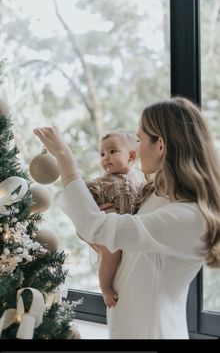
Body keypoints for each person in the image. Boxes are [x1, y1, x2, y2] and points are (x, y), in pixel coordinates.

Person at [33, 97, 220, 339]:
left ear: (160, 145)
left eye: (140, 139)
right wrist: (96, 233)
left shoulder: (188, 218)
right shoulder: (157, 195)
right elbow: (113, 242)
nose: (137, 148)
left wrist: (64, 156)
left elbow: (97, 227)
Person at [84, 131, 144, 307]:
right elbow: (84, 197)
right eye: (102, 154)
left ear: (131, 155)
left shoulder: (140, 178)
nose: (106, 158)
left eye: (112, 151)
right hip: (110, 231)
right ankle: (106, 288)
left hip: (131, 230)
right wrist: (96, 209)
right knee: (111, 252)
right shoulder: (103, 182)